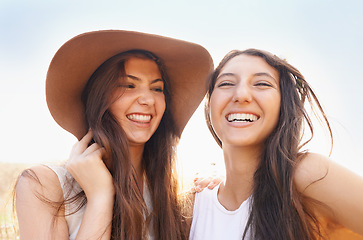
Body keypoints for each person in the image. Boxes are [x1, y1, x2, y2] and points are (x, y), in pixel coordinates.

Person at [15, 30, 215, 240]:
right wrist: (100, 197)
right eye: (129, 85)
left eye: (157, 89)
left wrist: (220, 188)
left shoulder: (175, 195)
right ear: (99, 96)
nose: (147, 100)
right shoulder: (46, 185)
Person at [189, 49, 363, 240]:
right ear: (210, 103)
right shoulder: (192, 205)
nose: (241, 94)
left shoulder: (306, 176)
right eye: (226, 83)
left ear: (284, 103)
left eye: (262, 84)